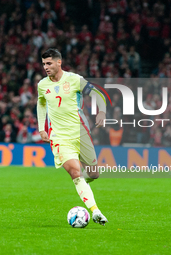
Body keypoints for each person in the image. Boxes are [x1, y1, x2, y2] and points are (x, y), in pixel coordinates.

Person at [37, 48, 108, 225]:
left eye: (49, 63)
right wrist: (41, 128)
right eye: (44, 63)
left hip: (80, 132)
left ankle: (84, 186)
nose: (45, 67)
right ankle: (95, 211)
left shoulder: (75, 79)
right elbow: (41, 103)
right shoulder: (42, 85)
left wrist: (102, 111)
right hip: (59, 137)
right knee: (75, 173)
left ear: (59, 62)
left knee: (94, 174)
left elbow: (97, 94)